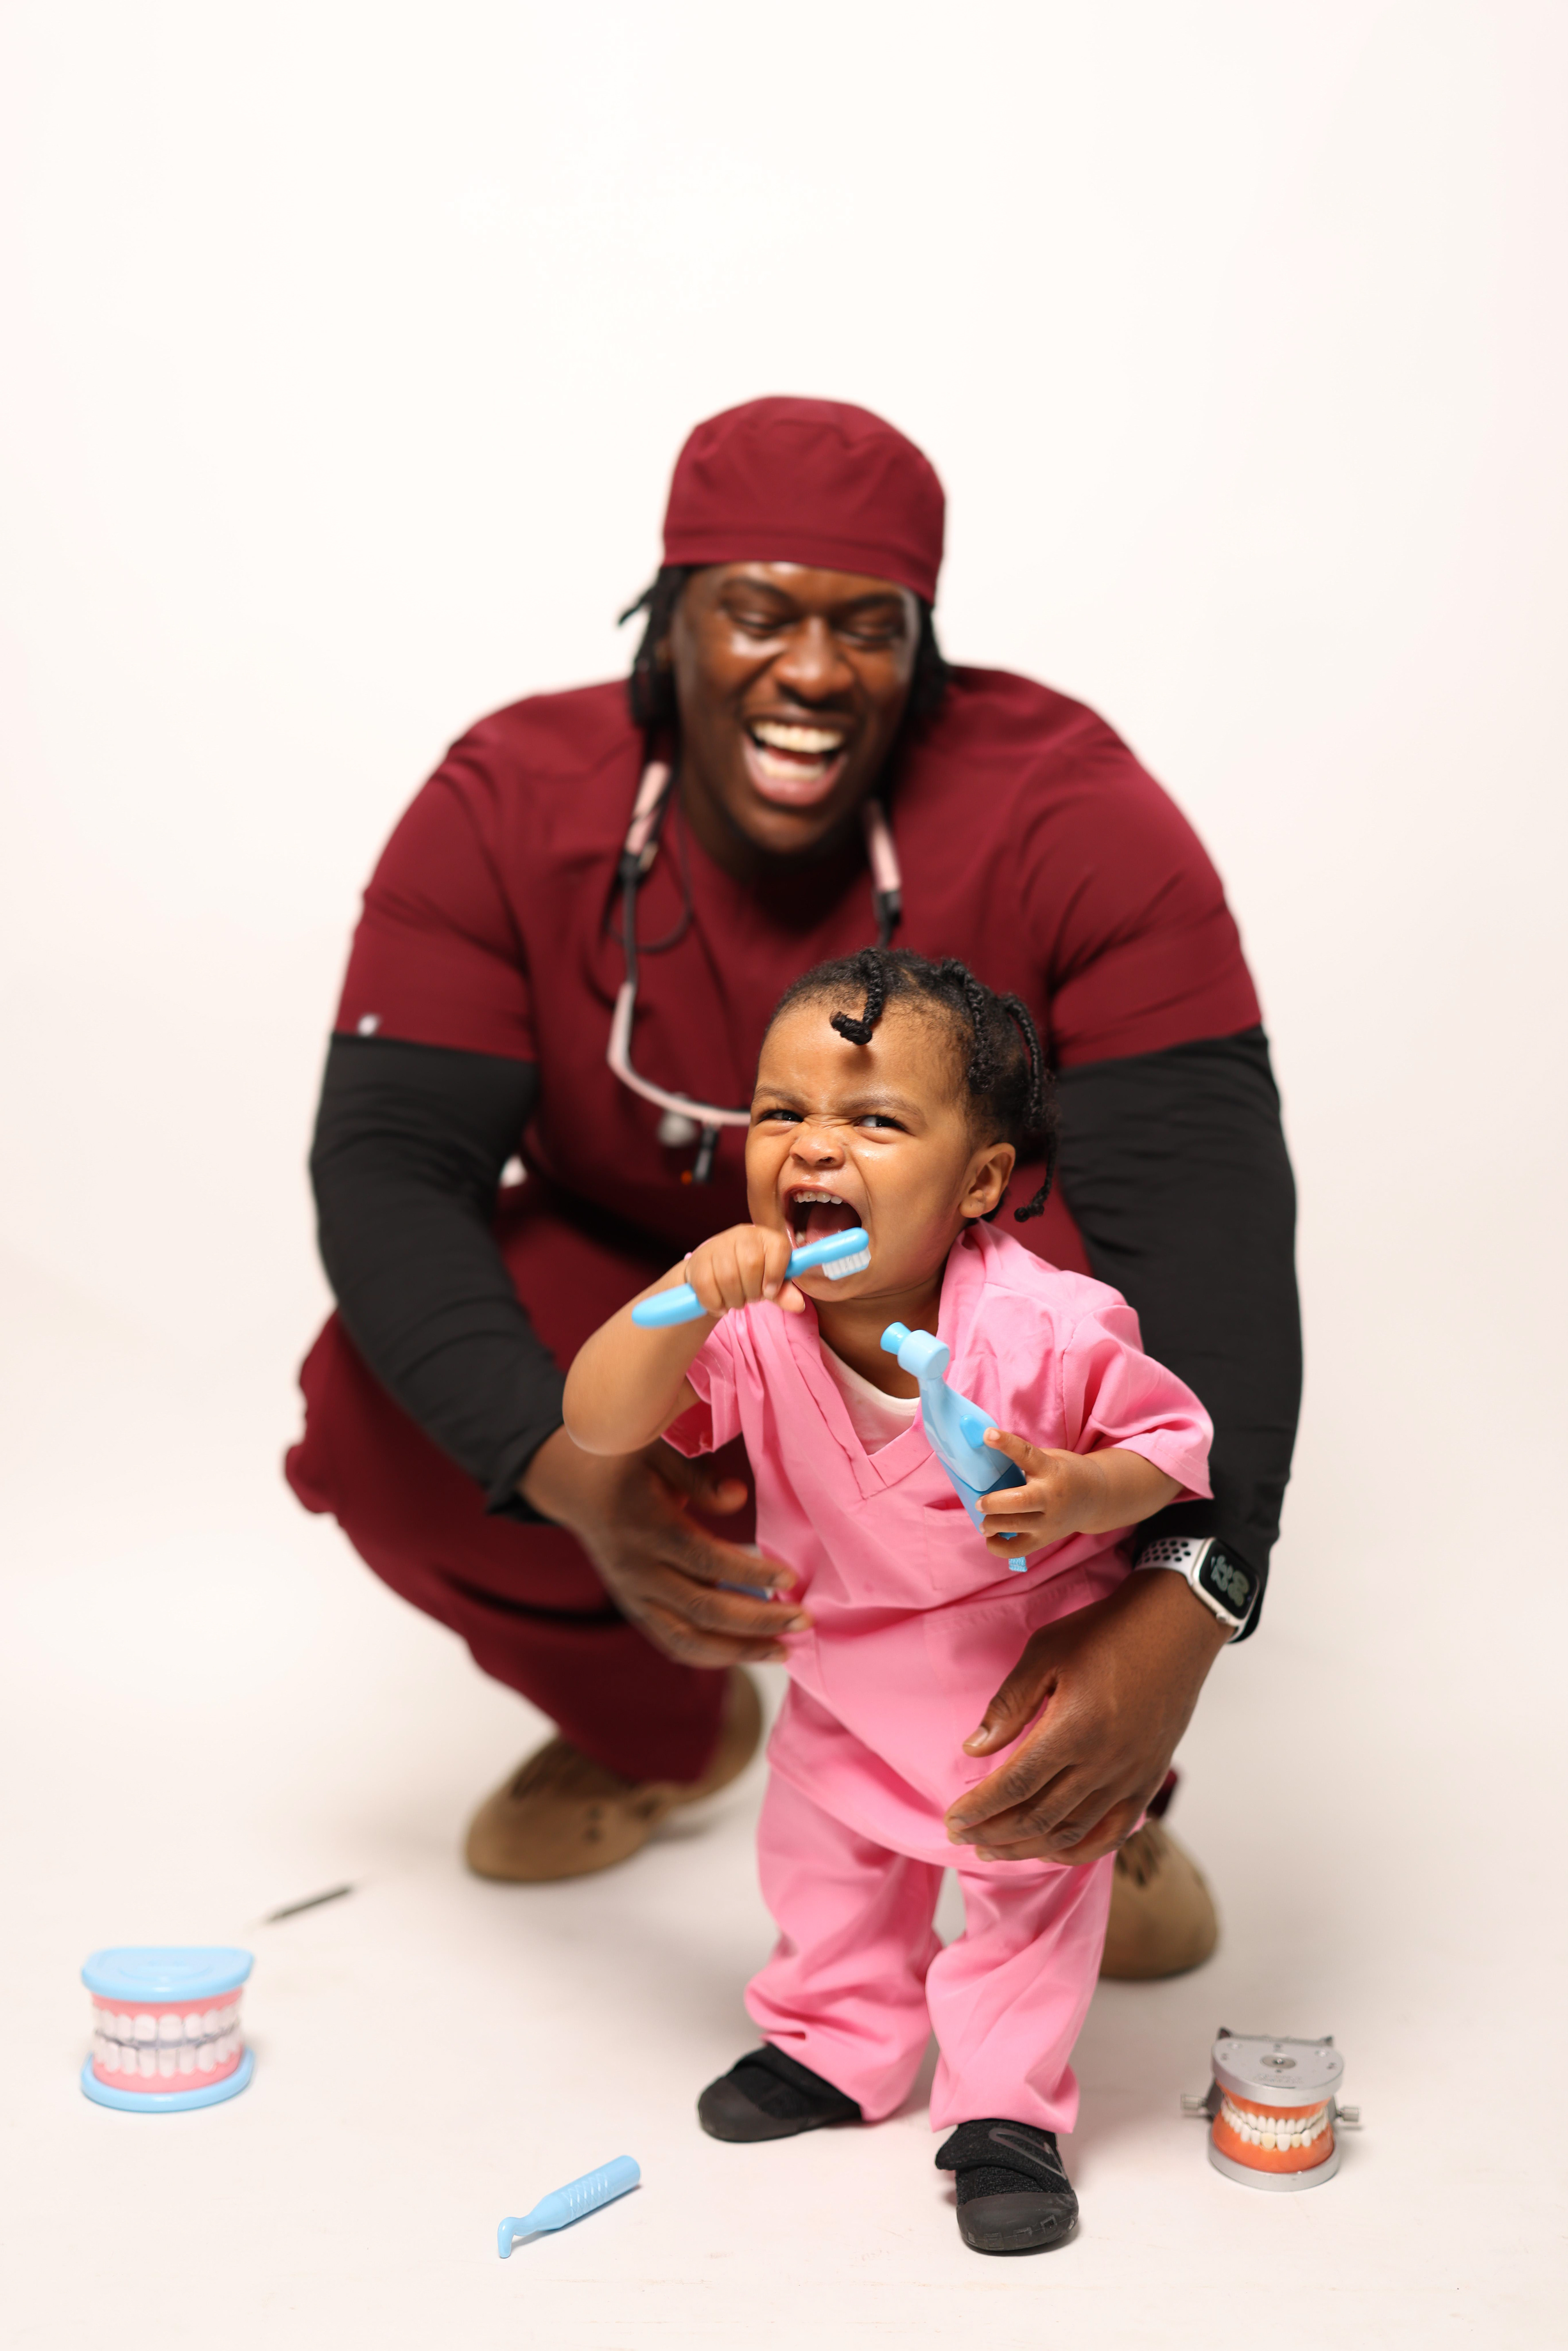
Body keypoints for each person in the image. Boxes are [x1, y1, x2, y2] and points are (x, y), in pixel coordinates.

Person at [286, 395, 1300, 1974]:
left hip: (940, 1339)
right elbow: (387, 1172)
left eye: (869, 627)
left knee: (1078, 1334)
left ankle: (1072, 1777)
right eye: (756, 613)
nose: (814, 673)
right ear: (668, 625)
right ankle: (654, 1729)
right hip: (677, 1324)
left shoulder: (1072, 811)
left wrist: (1190, 1604)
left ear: (922, 649)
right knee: (374, 1400)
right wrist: (580, 1481)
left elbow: (1209, 1227)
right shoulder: (505, 802)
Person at [562, 947, 1215, 2253]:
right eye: (780, 1113)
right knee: (828, 1872)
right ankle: (837, 2041)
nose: (814, 1146)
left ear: (979, 1182)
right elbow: (599, 1421)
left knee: (1024, 1900)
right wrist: (681, 1296)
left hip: (1016, 1694)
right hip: (841, 1677)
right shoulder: (753, 1329)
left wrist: (1079, 1490)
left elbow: (1173, 1451)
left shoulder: (1049, 1327)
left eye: (873, 1121)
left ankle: (1004, 2111)